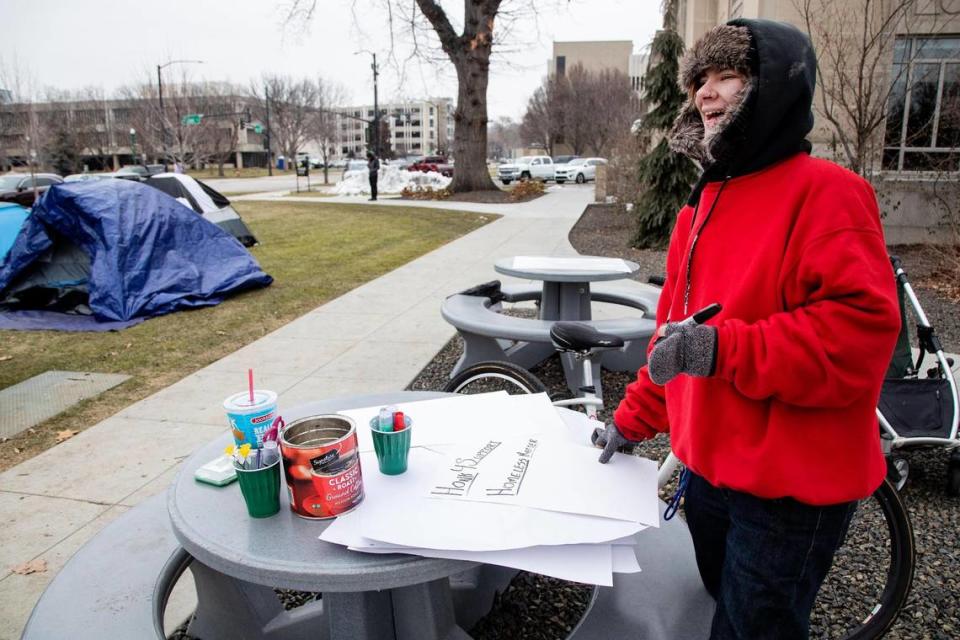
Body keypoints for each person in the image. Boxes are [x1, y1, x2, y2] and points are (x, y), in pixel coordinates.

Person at [594, 19, 901, 640]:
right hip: (709, 472)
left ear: (774, 88)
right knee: (720, 603)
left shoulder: (830, 195)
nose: (705, 93)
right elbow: (674, 345)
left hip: (791, 488)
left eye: (727, 76)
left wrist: (723, 349)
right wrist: (630, 423)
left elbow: (858, 339)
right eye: (699, 80)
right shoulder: (701, 206)